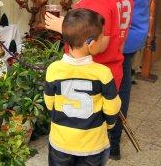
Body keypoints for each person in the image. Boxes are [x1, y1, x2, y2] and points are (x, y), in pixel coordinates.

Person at [45, 8, 121, 165]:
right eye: (101, 38)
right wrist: (110, 124)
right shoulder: (103, 73)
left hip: (61, 142)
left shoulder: (54, 69)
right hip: (93, 145)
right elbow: (112, 108)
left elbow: (49, 103)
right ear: (91, 44)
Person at [107, 0, 154, 160]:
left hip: (121, 37)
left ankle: (112, 141)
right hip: (137, 33)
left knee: (115, 87)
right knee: (122, 83)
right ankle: (112, 138)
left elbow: (112, 5)